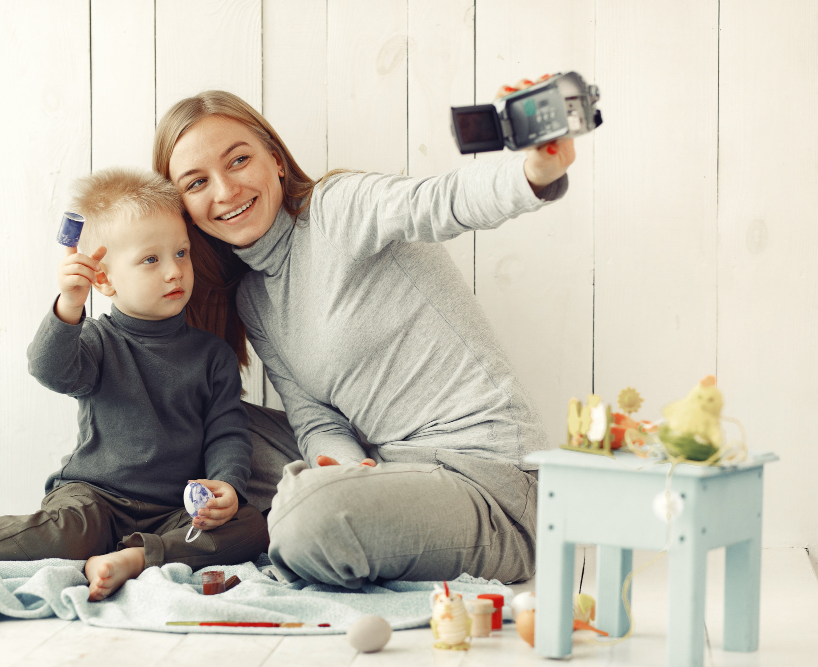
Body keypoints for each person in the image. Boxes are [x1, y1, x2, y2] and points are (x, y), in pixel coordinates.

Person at [153, 80, 573, 588]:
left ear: (276, 160)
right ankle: (305, 514)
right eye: (197, 183)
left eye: (238, 161)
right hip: (386, 468)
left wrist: (533, 173)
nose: (225, 191)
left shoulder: (337, 209)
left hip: (488, 485)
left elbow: (442, 201)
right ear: (184, 207)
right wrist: (347, 470)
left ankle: (299, 521)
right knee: (191, 421)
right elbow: (314, 419)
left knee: (307, 521)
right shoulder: (254, 299)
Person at [0, 168, 268, 601]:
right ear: (105, 279)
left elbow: (227, 431)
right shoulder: (96, 339)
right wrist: (69, 305)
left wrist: (226, 485)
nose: (174, 271)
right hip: (95, 497)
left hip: (172, 510)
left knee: (250, 527)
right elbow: (48, 368)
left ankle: (132, 557)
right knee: (64, 531)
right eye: (151, 259)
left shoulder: (212, 356)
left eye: (181, 253)